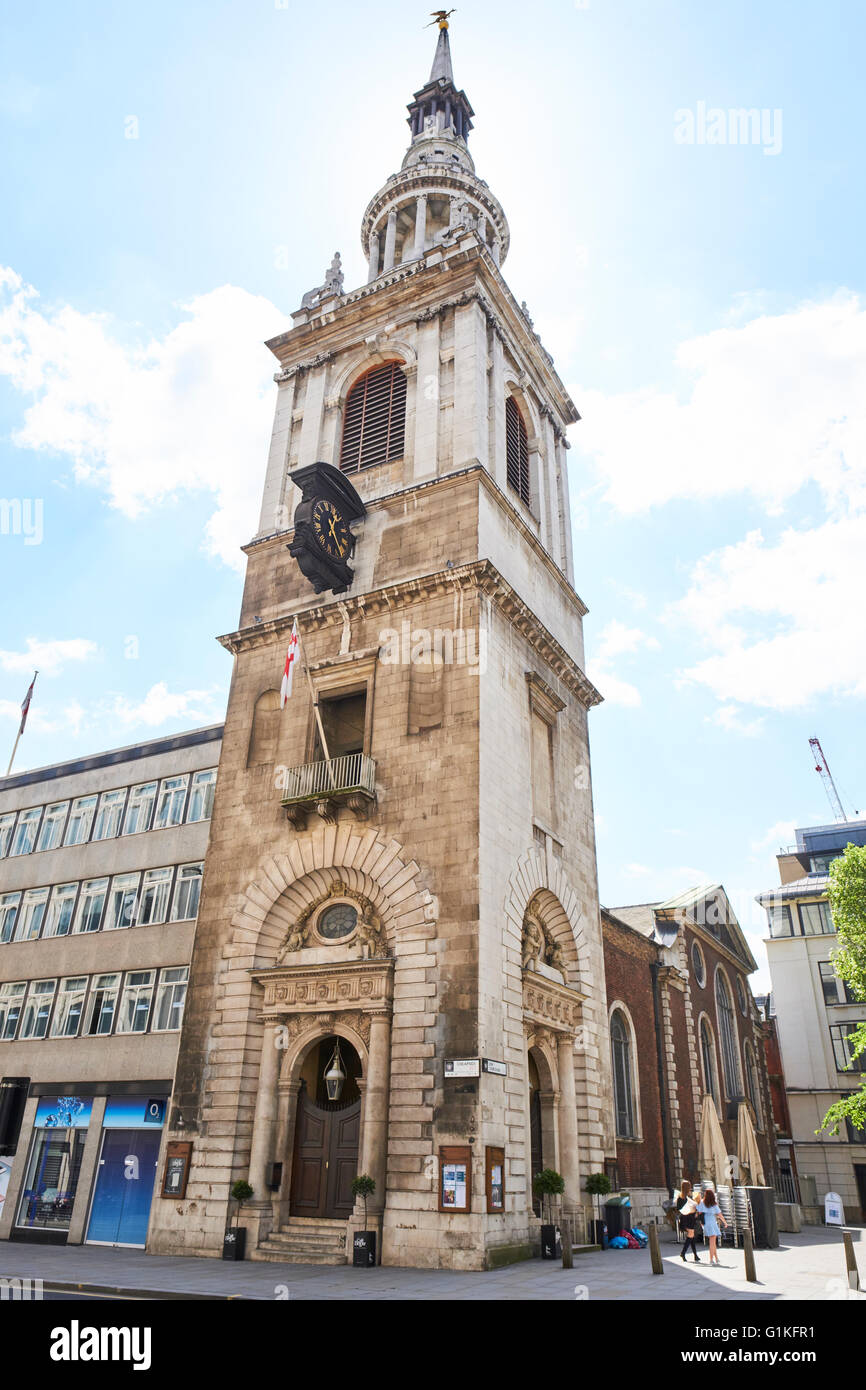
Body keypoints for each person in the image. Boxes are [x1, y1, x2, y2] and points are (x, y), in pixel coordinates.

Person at [697, 1187, 727, 1265]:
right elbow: (719, 1214)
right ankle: (711, 1259)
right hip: (712, 1221)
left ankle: (716, 1258)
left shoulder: (702, 1202)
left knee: (712, 1242)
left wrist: (701, 1223)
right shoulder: (714, 1204)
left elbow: (699, 1213)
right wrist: (725, 1222)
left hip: (706, 1222)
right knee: (712, 1242)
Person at [675, 1179, 700, 1262]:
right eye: (689, 1186)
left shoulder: (689, 1196)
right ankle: (683, 1253)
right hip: (686, 1218)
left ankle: (695, 1255)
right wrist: (689, 1209)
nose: (690, 1187)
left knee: (691, 1236)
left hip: (691, 1218)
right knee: (690, 1235)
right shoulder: (681, 1197)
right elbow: (679, 1208)